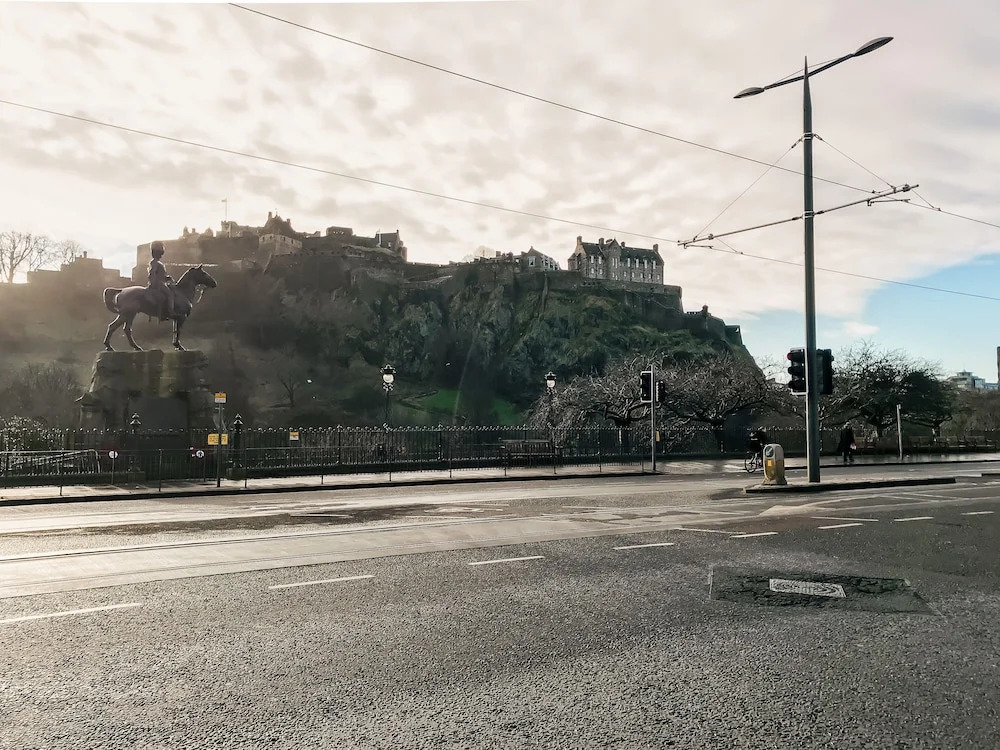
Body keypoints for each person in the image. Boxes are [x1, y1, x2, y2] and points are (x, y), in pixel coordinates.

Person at [146, 241, 175, 321]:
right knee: (170, 295)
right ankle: (170, 312)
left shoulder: (157, 263)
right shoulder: (155, 262)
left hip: (160, 282)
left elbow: (160, 275)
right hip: (159, 284)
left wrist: (167, 278)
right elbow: (152, 273)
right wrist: (154, 284)